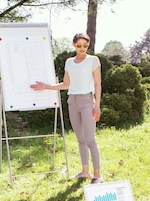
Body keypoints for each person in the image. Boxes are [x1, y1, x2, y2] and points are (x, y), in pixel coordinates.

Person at [30, 32, 103, 184]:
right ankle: (85, 171)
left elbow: (97, 84)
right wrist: (46, 86)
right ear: (73, 45)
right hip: (72, 101)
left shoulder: (93, 60)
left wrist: (97, 106)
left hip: (87, 100)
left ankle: (97, 175)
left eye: (85, 45)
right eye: (79, 45)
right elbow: (66, 84)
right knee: (80, 139)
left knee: (90, 139)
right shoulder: (69, 62)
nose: (82, 48)